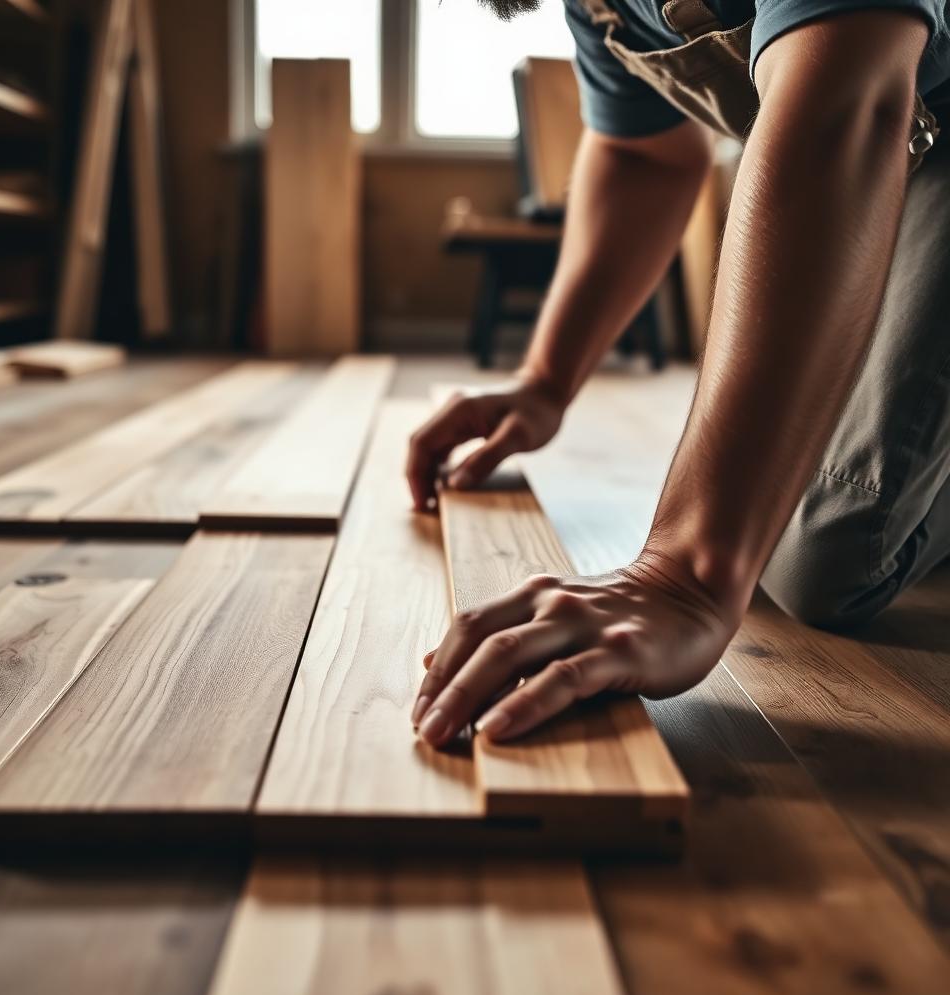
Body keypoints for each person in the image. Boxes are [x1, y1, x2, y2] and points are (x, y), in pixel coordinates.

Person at [405, 0, 950, 749]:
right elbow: (642, 156)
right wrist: (546, 381)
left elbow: (843, 109)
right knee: (766, 491)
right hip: (903, 143)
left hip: (900, 129)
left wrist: (685, 574)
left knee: (832, 547)